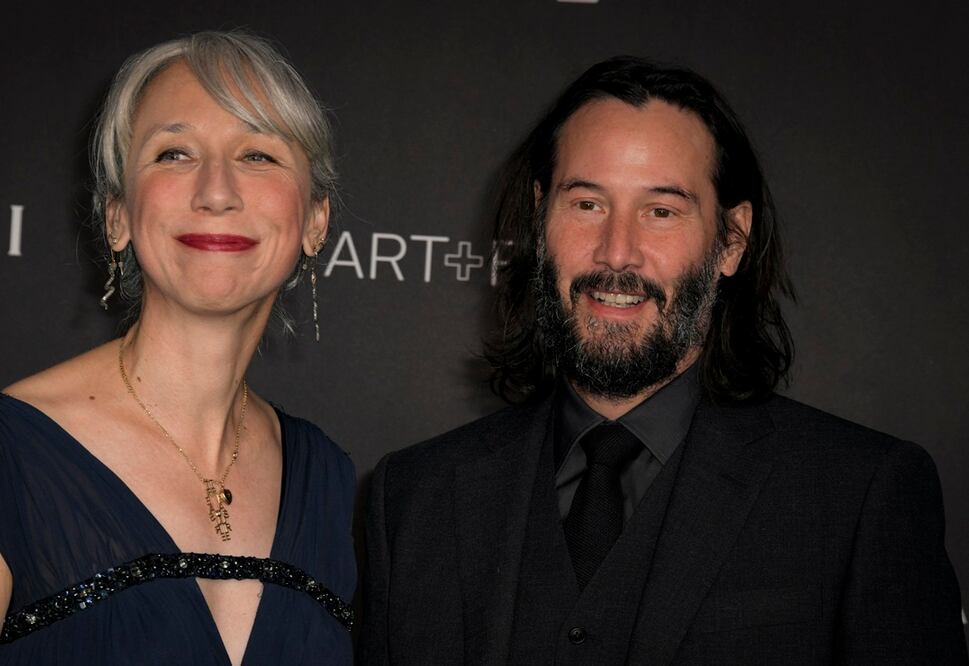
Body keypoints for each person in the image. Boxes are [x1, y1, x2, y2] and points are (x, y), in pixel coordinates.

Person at [360, 57, 967, 664]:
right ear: (541, 218)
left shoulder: (858, 496)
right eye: (587, 204)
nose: (617, 253)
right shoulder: (415, 498)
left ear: (731, 240)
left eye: (661, 211)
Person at [0, 31, 355, 665]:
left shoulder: (326, 479)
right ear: (117, 216)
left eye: (258, 155)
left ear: (315, 221)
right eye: (174, 153)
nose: (216, 191)